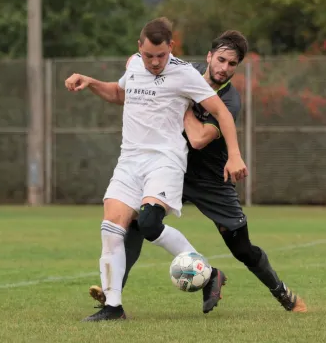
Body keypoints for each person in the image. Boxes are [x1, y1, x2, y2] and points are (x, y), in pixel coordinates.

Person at [88, 30, 307, 314]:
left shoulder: (229, 101)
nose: (224, 68)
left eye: (231, 64)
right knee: (138, 225)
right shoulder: (183, 71)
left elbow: (199, 139)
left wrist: (182, 104)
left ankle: (281, 292)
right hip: (170, 168)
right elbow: (133, 88)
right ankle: (112, 297)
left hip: (212, 182)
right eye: (221, 60)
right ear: (209, 57)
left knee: (242, 249)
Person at [65, 18, 248, 322]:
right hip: (129, 160)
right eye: (149, 55)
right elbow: (120, 94)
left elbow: (222, 114)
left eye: (160, 56)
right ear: (140, 48)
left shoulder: (185, 73)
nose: (154, 62)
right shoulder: (134, 65)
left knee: (149, 223)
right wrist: (91, 82)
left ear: (171, 48)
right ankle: (113, 307)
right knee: (111, 229)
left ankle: (209, 273)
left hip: (165, 160)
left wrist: (235, 155)